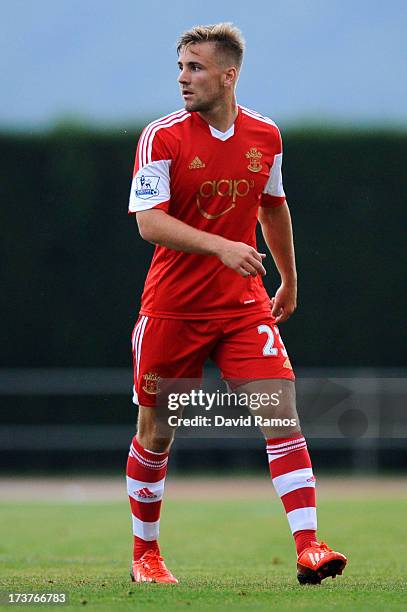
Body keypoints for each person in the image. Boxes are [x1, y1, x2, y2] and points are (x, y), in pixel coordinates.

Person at [126, 22, 347, 585]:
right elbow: (150, 224)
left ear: (229, 75)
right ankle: (145, 555)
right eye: (180, 67)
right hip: (173, 309)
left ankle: (309, 546)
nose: (183, 78)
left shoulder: (265, 135)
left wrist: (290, 281)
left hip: (242, 307)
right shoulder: (161, 136)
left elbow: (273, 207)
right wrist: (224, 245)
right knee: (156, 433)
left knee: (282, 415)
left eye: (195, 68)